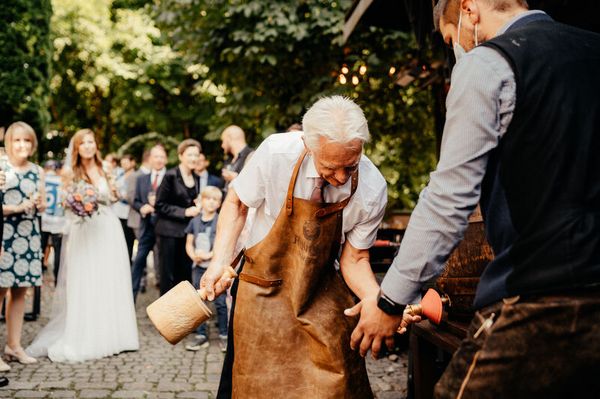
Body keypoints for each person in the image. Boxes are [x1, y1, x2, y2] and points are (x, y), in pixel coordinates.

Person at [349, 1, 600, 398]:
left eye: (451, 39)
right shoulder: (593, 47)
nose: (455, 51)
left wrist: (391, 299)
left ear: (469, 10)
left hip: (542, 295)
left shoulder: (487, 64)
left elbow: (449, 200)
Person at [201, 96, 388, 398]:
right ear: (308, 144)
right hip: (260, 289)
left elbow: (355, 257)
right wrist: (219, 262)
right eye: (331, 166)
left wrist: (374, 299)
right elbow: (237, 204)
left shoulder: (372, 187)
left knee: (332, 384)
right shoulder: (276, 153)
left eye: (350, 166)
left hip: (319, 292)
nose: (341, 177)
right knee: (245, 383)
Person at [27, 129, 139, 362]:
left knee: (110, 279)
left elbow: (113, 196)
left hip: (108, 229)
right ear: (76, 148)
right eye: (83, 143)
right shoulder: (69, 173)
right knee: (87, 279)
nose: (88, 146)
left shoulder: (105, 169)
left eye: (91, 141)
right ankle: (87, 334)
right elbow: (65, 205)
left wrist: (113, 195)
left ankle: (116, 336)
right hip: (84, 230)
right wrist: (80, 206)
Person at [0, 121, 46, 370]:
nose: (22, 145)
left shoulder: (37, 170)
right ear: (9, 142)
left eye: (27, 140)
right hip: (5, 235)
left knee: (20, 292)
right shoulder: (1, 167)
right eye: (17, 140)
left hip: (28, 236)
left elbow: (43, 204)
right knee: (0, 291)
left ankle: (13, 346)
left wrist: (39, 204)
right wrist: (17, 208)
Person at [155, 139, 201, 295]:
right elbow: (159, 205)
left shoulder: (196, 177)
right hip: (169, 233)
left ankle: (183, 316)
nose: (194, 158)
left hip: (187, 234)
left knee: (185, 277)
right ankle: (165, 317)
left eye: (196, 155)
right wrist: (185, 212)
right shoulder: (170, 175)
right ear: (181, 156)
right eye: (190, 155)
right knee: (168, 277)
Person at [184, 186, 227, 352]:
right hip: (198, 268)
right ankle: (201, 335)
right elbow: (189, 242)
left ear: (219, 204)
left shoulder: (220, 221)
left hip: (214, 268)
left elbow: (222, 243)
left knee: (220, 303)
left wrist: (210, 255)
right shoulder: (194, 221)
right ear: (201, 201)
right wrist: (193, 255)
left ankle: (224, 335)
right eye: (208, 198)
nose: (211, 202)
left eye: (215, 200)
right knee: (198, 302)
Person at [131, 144, 167, 300]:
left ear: (165, 159)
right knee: (138, 262)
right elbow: (135, 200)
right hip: (146, 228)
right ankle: (131, 297)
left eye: (161, 156)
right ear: (150, 159)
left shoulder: (171, 177)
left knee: (163, 266)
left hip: (165, 228)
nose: (158, 160)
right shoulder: (142, 179)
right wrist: (142, 207)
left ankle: (165, 301)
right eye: (155, 156)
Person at [40, 160, 66, 285]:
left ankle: (38, 275)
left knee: (40, 248)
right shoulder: (62, 181)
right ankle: (57, 279)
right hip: (58, 222)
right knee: (58, 252)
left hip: (44, 220)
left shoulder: (42, 179)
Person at [112, 154, 136, 262]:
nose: (124, 165)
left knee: (128, 241)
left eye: (126, 163)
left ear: (132, 163)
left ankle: (128, 262)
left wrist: (121, 196)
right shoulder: (119, 176)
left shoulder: (136, 176)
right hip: (117, 212)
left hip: (129, 213)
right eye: (122, 163)